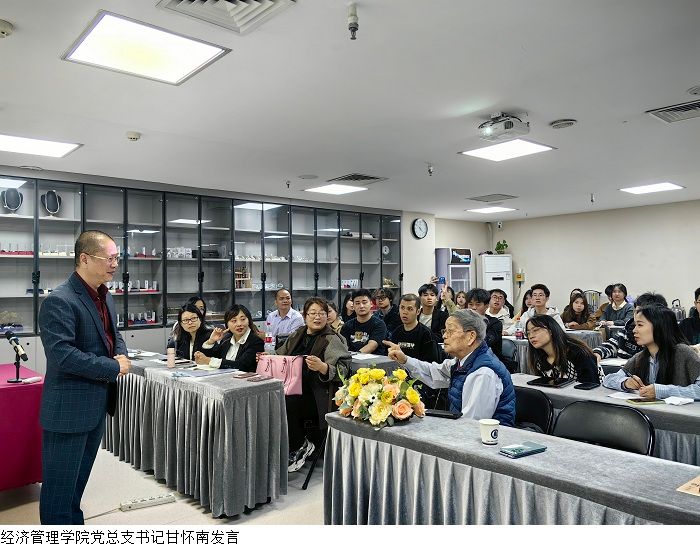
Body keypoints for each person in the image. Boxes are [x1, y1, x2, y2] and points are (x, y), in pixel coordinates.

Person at [38, 230, 131, 524]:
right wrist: (113, 366)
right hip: (68, 411)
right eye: (110, 258)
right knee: (59, 494)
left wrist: (121, 355)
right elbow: (63, 356)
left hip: (95, 406)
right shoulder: (60, 300)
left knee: (76, 489)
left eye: (117, 258)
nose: (115, 264)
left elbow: (113, 336)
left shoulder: (105, 296)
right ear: (85, 259)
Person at [384, 309, 515, 425]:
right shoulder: (461, 361)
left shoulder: (483, 373)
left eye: (450, 331)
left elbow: (471, 424)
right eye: (445, 331)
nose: (444, 336)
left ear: (471, 336)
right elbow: (433, 372)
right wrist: (405, 360)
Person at [270, 297, 352, 472]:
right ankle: (283, 446)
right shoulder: (298, 334)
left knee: (287, 401)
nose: (317, 317)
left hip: (317, 392)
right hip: (292, 385)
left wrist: (323, 367)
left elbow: (344, 371)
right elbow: (280, 355)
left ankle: (300, 444)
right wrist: (267, 357)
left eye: (322, 313)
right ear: (305, 316)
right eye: (312, 313)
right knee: (271, 397)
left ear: (328, 316)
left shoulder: (332, 339)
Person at [603, 305, 700, 400]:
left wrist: (662, 391)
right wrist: (625, 383)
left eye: (640, 325)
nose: (634, 330)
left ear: (659, 326)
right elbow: (608, 379)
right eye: (635, 325)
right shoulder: (641, 357)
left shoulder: (683, 352)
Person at [387, 293, 442, 409]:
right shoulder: (396, 332)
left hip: (421, 383)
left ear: (418, 312)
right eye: (402, 308)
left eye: (410, 309)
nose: (405, 312)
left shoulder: (426, 334)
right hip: (399, 380)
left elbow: (431, 366)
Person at [592, 292, 667, 364]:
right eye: (636, 311)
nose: (637, 316)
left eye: (640, 325)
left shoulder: (664, 342)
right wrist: (597, 353)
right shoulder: (628, 329)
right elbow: (611, 344)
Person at [525, 315, 599, 382]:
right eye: (528, 333)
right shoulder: (539, 359)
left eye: (536, 330)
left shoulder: (578, 353)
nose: (531, 336)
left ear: (550, 331)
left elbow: (591, 385)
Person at [195, 304, 264, 371]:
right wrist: (211, 341)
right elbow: (212, 357)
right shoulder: (226, 339)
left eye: (243, 319)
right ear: (227, 324)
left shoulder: (256, 341)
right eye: (234, 321)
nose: (239, 324)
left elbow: (242, 365)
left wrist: (209, 360)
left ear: (249, 321)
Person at [340, 289, 388, 354]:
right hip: (351, 359)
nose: (361, 306)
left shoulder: (379, 324)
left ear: (371, 304)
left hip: (373, 359)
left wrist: (356, 355)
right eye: (357, 303)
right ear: (353, 306)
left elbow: (372, 346)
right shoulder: (347, 326)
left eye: (364, 302)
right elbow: (343, 346)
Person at [466, 288, 503, 359]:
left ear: (486, 306)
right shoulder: (464, 322)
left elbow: (485, 343)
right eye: (470, 304)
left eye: (478, 304)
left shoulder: (495, 323)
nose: (474, 308)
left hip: (490, 360)